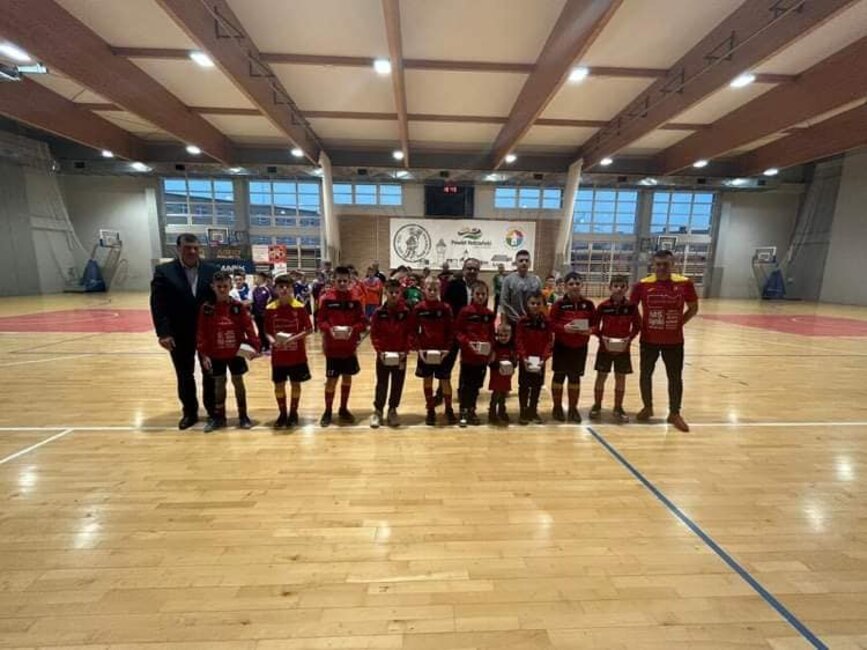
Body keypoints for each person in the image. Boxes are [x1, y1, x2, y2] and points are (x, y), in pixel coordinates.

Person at [150, 233, 218, 429]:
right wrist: (163, 333)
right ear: (178, 248)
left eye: (196, 247)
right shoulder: (164, 271)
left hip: (208, 332)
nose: (192, 251)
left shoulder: (212, 270)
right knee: (184, 374)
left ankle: (213, 411)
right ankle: (189, 412)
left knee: (210, 373)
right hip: (178, 333)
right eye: (188, 247)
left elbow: (219, 301)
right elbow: (158, 304)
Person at [630, 249, 699, 432]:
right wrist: (641, 325)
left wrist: (679, 323)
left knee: (674, 377)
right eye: (658, 264)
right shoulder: (642, 285)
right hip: (648, 340)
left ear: (673, 265)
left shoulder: (685, 284)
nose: (661, 268)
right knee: (646, 374)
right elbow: (631, 309)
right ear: (653, 265)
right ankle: (647, 407)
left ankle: (674, 413)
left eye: (665, 264)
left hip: (674, 341)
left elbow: (693, 308)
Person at [196, 271, 260, 432]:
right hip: (216, 353)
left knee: (238, 383)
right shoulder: (207, 308)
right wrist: (203, 354)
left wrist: (255, 346)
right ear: (213, 287)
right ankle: (219, 417)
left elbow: (248, 327)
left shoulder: (238, 307)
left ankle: (243, 416)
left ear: (230, 286)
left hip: (236, 353)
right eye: (219, 286)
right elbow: (201, 332)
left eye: (225, 286)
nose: (222, 289)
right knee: (218, 384)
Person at [317, 265, 367, 426]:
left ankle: (343, 408)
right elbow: (320, 321)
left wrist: (353, 329)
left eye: (345, 281)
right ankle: (327, 411)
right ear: (334, 281)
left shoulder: (355, 300)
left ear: (350, 281)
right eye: (340, 281)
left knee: (347, 378)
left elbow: (362, 322)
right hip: (332, 349)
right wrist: (329, 329)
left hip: (349, 349)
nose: (343, 284)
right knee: (331, 381)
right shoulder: (327, 299)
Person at [591, 274, 642, 423]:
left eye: (622, 286)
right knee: (601, 376)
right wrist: (602, 338)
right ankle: (597, 405)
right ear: (610, 288)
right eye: (616, 286)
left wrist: (629, 339)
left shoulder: (631, 307)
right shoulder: (603, 306)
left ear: (627, 288)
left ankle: (618, 407)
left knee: (620, 377)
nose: (619, 289)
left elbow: (637, 326)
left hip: (623, 349)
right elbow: (594, 325)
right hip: (604, 349)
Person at [265, 274, 313, 428]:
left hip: (297, 356)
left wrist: (293, 339)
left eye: (287, 286)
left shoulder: (300, 307)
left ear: (292, 288)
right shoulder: (270, 308)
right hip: (278, 356)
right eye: (281, 287)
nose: (284, 289)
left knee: (295, 385)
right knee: (279, 386)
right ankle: (282, 413)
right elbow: (267, 331)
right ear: (275, 289)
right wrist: (272, 341)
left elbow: (309, 329)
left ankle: (293, 413)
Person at [548, 272, 596, 423]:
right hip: (562, 346)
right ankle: (557, 407)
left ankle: (573, 409)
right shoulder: (559, 304)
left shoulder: (589, 304)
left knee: (575, 378)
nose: (574, 286)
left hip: (580, 347)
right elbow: (550, 323)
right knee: (559, 377)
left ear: (582, 285)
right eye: (571, 284)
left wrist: (590, 330)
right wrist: (564, 328)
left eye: (577, 283)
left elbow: (595, 324)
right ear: (565, 286)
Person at [410, 276, 456, 426]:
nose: (432, 292)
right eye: (429, 289)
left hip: (443, 352)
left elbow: (451, 331)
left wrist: (447, 349)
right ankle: (430, 409)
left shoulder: (445, 308)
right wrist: (419, 349)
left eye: (435, 290)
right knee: (427, 380)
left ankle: (449, 409)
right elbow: (413, 331)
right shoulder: (419, 308)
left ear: (439, 290)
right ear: (424, 289)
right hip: (425, 352)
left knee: (445, 380)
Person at [370, 280, 412, 428]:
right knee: (381, 383)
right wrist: (379, 351)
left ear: (400, 293)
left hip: (400, 356)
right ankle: (378, 411)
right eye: (391, 292)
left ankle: (392, 410)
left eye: (397, 292)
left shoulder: (406, 313)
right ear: (385, 293)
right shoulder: (378, 313)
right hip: (383, 355)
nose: (394, 295)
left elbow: (410, 334)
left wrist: (405, 352)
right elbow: (374, 334)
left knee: (397, 383)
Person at [455, 280, 496, 427]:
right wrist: (468, 344)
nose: (480, 297)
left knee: (477, 386)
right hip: (468, 357)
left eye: (483, 294)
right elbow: (458, 332)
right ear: (472, 294)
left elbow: (491, 334)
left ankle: (472, 410)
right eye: (477, 294)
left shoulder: (489, 314)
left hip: (482, 358)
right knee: (466, 385)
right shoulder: (465, 312)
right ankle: (463, 411)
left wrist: (491, 350)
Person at [515, 292, 553, 425]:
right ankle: (523, 411)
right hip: (525, 360)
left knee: (537, 386)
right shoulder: (522, 321)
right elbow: (518, 340)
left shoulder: (547, 322)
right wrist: (523, 357)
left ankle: (533, 410)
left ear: (543, 305)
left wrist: (544, 358)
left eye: (538, 303)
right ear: (527, 304)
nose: (535, 306)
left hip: (539, 361)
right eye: (532, 303)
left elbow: (549, 341)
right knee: (524, 386)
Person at [499, 250, 542, 327]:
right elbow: (504, 303)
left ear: (530, 263)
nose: (524, 263)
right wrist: (504, 323)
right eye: (521, 260)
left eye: (526, 260)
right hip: (513, 322)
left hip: (531, 322)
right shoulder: (508, 280)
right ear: (516, 263)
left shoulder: (536, 280)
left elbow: (539, 302)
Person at [487, 323, 515, 426]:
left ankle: (502, 411)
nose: (503, 338)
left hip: (506, 376)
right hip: (496, 375)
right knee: (496, 394)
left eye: (506, 335)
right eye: (500, 335)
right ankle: (492, 412)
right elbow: (490, 363)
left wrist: (512, 365)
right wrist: (497, 365)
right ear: (497, 335)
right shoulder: (494, 347)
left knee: (503, 393)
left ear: (510, 335)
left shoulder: (512, 347)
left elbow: (514, 360)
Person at [251, 271, 272, 353]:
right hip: (257, 315)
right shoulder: (255, 290)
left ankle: (268, 347)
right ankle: (262, 346)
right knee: (260, 330)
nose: (254, 280)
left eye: (256, 278)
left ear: (261, 278)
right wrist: (252, 313)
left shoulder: (268, 289)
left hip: (265, 315)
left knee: (265, 330)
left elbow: (273, 301)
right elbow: (253, 302)